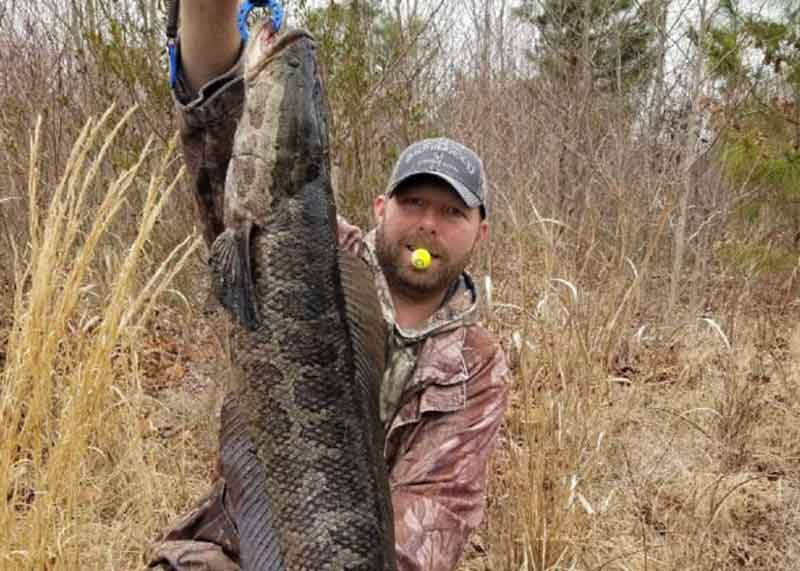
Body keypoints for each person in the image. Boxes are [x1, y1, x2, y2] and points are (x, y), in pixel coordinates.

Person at [149, 2, 510, 570]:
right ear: (380, 206)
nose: (427, 225)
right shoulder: (307, 249)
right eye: (413, 202)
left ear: (479, 232)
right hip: (224, 550)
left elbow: (436, 518)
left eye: (451, 212)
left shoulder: (478, 366)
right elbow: (215, 121)